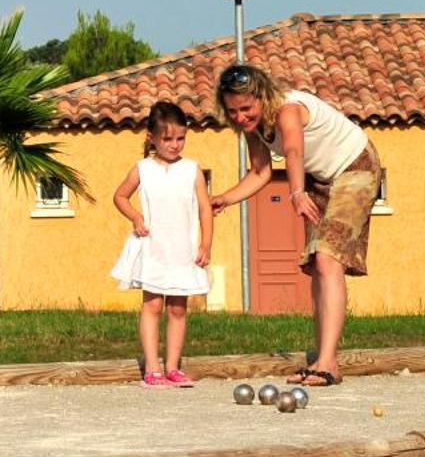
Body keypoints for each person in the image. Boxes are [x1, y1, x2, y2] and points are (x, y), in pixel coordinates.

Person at [209, 62, 380, 387]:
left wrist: (298, 192)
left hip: (356, 166)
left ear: (263, 96)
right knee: (318, 264)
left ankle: (329, 363)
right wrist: (226, 199)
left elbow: (292, 151)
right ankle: (321, 357)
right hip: (319, 178)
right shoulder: (253, 127)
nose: (241, 118)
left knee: (329, 257)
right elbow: (260, 172)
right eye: (233, 112)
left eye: (246, 109)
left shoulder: (288, 109)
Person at [109, 100, 213, 387]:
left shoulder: (192, 170)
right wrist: (135, 216)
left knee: (178, 308)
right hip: (154, 248)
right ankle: (152, 367)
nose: (174, 144)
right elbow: (120, 196)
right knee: (152, 306)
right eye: (167, 138)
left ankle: (173, 367)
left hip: (183, 249)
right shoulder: (142, 168)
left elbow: (205, 208)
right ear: (151, 137)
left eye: (180, 138)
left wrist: (206, 243)